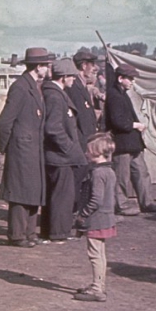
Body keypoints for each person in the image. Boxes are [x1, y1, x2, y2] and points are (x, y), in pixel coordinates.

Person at [0, 47, 52, 248]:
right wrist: (3, 147)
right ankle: (17, 234)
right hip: (21, 148)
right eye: (46, 65)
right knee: (20, 192)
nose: (47, 68)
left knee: (32, 190)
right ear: (39, 67)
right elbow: (5, 120)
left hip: (32, 148)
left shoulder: (34, 85)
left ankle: (29, 232)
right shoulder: (20, 87)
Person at [104, 64, 156, 215]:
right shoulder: (114, 95)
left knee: (142, 173)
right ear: (121, 79)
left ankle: (147, 203)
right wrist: (135, 125)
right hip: (122, 144)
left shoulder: (122, 94)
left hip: (132, 144)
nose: (132, 81)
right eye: (130, 78)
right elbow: (117, 121)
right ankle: (122, 206)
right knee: (121, 177)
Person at [41, 58, 87, 242]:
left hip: (56, 155)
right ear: (64, 76)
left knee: (55, 195)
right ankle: (58, 233)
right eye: (72, 77)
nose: (74, 81)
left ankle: (51, 231)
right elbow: (53, 128)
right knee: (62, 196)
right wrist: (68, 147)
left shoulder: (52, 93)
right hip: (60, 157)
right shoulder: (54, 95)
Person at [73, 132, 118, 302]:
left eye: (88, 150)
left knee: (94, 254)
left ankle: (97, 289)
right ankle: (98, 284)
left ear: (96, 152)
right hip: (106, 218)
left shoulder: (98, 173)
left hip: (96, 219)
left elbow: (95, 200)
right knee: (100, 253)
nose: (85, 153)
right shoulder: (109, 171)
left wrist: (82, 216)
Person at [68, 51, 100, 213]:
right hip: (81, 144)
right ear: (83, 65)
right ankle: (72, 213)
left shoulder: (81, 86)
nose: (95, 68)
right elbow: (81, 117)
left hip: (84, 142)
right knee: (77, 180)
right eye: (92, 64)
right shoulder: (74, 87)